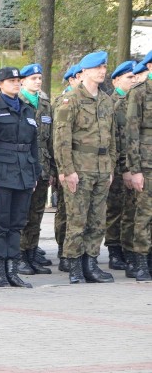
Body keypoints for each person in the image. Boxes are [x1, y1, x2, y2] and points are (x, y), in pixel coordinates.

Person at [53, 51, 117, 284]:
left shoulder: (106, 100)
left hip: (101, 168)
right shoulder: (70, 100)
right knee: (77, 219)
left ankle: (91, 263)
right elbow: (61, 138)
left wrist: (110, 168)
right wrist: (66, 170)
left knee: (97, 220)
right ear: (85, 71)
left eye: (104, 67)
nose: (102, 71)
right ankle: (74, 265)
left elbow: (112, 139)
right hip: (79, 167)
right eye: (97, 67)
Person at [0, 67, 41, 288]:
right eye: (11, 80)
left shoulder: (27, 110)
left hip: (24, 173)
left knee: (17, 224)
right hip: (1, 174)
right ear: (0, 84)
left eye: (18, 80)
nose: (16, 84)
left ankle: (13, 269)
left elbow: (34, 145)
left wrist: (35, 174)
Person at [18, 63, 56, 274]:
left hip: (42, 166)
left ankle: (32, 253)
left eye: (40, 78)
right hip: (23, 167)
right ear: (22, 81)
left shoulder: (45, 104)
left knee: (37, 215)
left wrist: (52, 169)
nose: (38, 81)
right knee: (22, 215)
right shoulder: (18, 102)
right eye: (33, 78)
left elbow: (50, 139)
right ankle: (20, 255)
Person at [103, 60, 136, 272]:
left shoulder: (134, 101)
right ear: (116, 80)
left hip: (133, 164)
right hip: (116, 166)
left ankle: (127, 247)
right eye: (128, 77)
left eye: (134, 77)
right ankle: (114, 249)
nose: (132, 81)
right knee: (115, 209)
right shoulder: (112, 104)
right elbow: (112, 139)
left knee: (130, 210)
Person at [124, 53, 152, 281]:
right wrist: (135, 170)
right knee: (144, 213)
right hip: (147, 164)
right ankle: (141, 260)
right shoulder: (140, 92)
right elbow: (131, 133)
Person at [53, 63, 83, 271]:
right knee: (66, 211)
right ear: (71, 80)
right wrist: (61, 168)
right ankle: (64, 251)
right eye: (78, 76)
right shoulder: (63, 103)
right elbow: (58, 138)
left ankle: (81, 255)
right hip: (66, 164)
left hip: (87, 166)